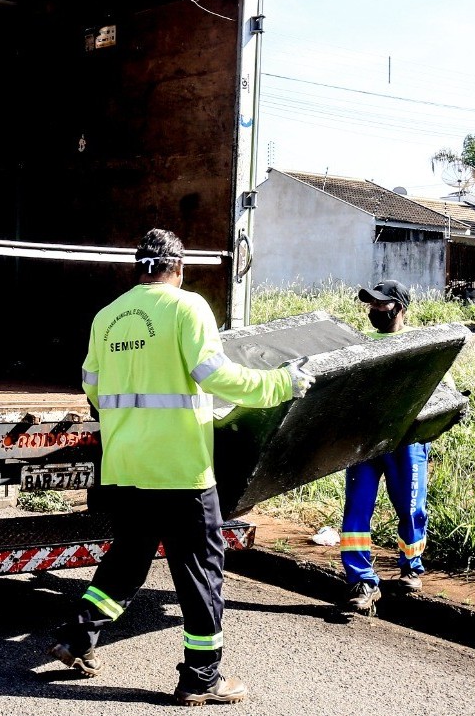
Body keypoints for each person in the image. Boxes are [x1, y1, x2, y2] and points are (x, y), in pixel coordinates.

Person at [48, 228, 315, 705]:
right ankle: (202, 677)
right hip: (180, 470)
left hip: (127, 465)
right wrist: (281, 384)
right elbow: (216, 375)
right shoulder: (187, 307)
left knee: (128, 561)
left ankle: (77, 637)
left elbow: (91, 386)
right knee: (201, 573)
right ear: (180, 266)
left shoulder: (106, 318)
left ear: (139, 266)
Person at [340, 279, 429, 613]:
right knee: (356, 511)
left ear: (400, 308)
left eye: (382, 304)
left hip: (406, 441)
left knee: (410, 506)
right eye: (372, 305)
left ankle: (411, 567)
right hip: (364, 443)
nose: (375, 310)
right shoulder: (359, 344)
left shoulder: (423, 344)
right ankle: (362, 580)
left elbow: (439, 391)